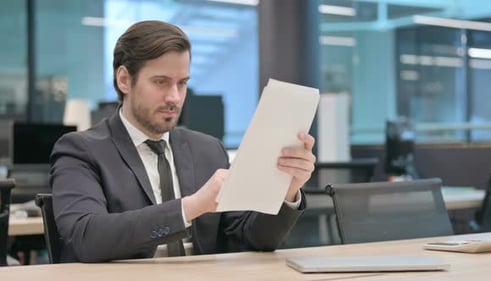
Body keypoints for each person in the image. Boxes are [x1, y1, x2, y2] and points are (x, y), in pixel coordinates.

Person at [49, 20, 316, 263]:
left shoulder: (208, 150)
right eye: (161, 82)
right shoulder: (80, 150)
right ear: (124, 80)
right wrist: (190, 207)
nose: (174, 97)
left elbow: (250, 239)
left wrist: (287, 191)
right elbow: (86, 238)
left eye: (182, 83)